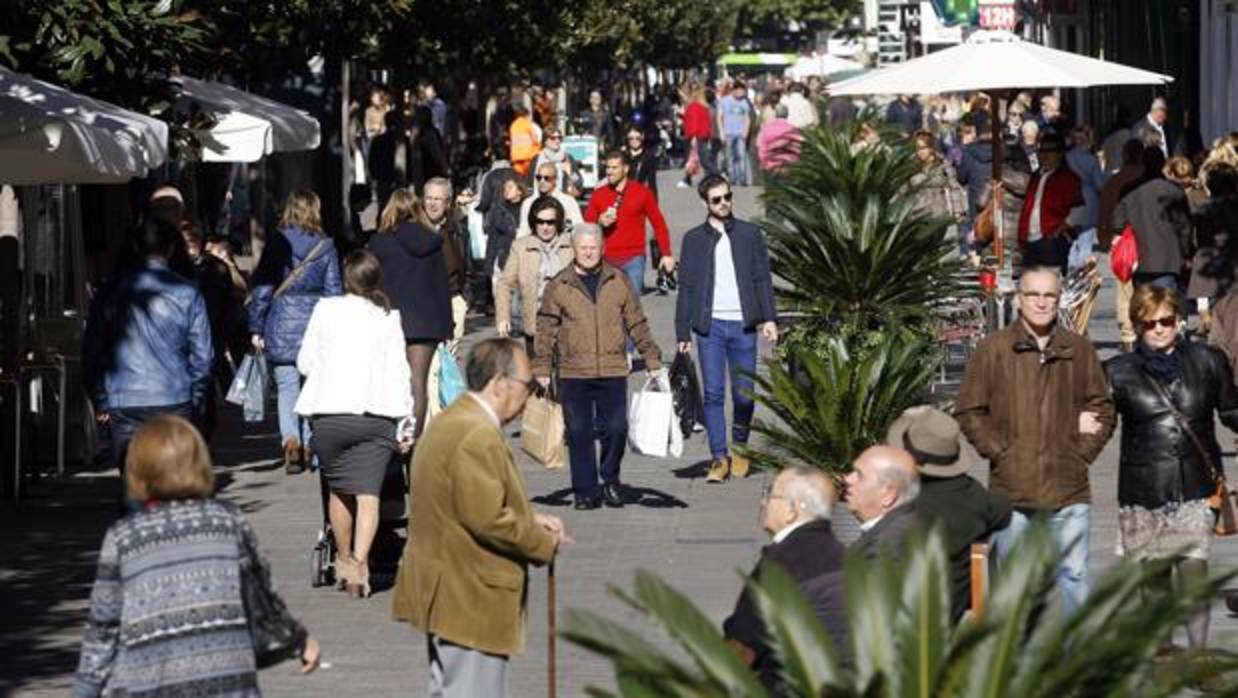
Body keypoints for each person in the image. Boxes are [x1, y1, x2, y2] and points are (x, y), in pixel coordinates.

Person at [75, 417, 320, 697]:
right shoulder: (227, 521)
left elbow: (103, 625)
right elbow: (261, 594)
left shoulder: (124, 537)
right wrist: (299, 640)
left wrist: (86, 689)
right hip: (228, 682)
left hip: (151, 682)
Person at [392, 338, 569, 698]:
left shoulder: (455, 421)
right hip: (467, 595)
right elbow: (487, 518)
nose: (529, 396)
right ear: (499, 383)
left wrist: (529, 519)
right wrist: (540, 544)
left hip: (450, 590)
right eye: (527, 386)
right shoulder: (475, 433)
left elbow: (464, 502)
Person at [955, 266, 1116, 616]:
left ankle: (1078, 664)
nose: (1042, 302)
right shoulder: (993, 349)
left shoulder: (1078, 349)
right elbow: (968, 409)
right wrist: (1000, 451)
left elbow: (1103, 408)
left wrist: (1080, 453)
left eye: (1050, 295)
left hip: (1069, 488)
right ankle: (1018, 662)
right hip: (1012, 492)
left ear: (1059, 300)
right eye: (1034, 294)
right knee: (1016, 585)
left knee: (1075, 578)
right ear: (1019, 298)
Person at [1105, 286, 1238, 652]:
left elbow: (1230, 412)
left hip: (1195, 488)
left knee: (1194, 576)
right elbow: (1098, 424)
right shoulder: (1117, 372)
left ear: (1179, 320)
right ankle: (1163, 654)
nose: (1159, 329)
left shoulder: (1208, 360)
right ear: (1136, 325)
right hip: (1143, 492)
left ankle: (1198, 656)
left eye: (1166, 320)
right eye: (1150, 323)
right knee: (1156, 583)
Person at [296, 250, 411, 598]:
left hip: (330, 414)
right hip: (374, 416)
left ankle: (344, 559)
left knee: (339, 491)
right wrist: (406, 422)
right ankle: (361, 562)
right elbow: (399, 372)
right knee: (368, 495)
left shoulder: (324, 310)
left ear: (346, 279)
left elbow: (304, 362)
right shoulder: (389, 317)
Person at [534, 224, 663, 510]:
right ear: (574, 249)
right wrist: (542, 368)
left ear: (602, 248)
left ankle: (610, 480)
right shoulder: (559, 284)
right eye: (583, 248)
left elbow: (636, 321)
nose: (589, 252)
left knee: (616, 429)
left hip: (612, 369)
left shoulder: (619, 279)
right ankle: (585, 491)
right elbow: (545, 328)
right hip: (573, 371)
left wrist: (651, 357)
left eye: (594, 247)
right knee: (579, 432)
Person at [84, 218, 213, 487]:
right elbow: (203, 357)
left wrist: (100, 398)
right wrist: (196, 400)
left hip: (125, 399)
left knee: (135, 484)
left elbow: (93, 350)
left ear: (133, 246)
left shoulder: (109, 292)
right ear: (170, 249)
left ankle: (138, 524)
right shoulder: (188, 293)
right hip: (175, 397)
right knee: (176, 483)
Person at [675, 175, 777, 483]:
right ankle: (719, 457)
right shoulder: (694, 239)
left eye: (728, 197)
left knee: (745, 395)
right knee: (714, 393)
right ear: (705, 203)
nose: (724, 203)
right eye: (717, 199)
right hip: (711, 327)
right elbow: (687, 288)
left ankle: (740, 449)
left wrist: (769, 319)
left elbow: (762, 279)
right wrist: (683, 334)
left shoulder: (749, 234)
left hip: (744, 325)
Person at [885, 406, 1012, 622]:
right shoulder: (974, 495)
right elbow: (1003, 511)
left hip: (908, 614)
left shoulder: (904, 503)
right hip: (956, 604)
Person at [722, 467, 843, 692]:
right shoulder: (841, 554)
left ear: (791, 510)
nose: (763, 503)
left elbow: (743, 645)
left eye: (770, 495)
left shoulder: (782, 562)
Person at [248, 191, 341, 474]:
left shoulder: (277, 242)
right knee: (314, 388)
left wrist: (255, 326)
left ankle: (290, 441)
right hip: (315, 325)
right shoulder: (326, 246)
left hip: (281, 323)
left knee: (288, 388)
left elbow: (263, 288)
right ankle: (312, 444)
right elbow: (333, 292)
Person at [366, 190, 453, 443]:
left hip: (389, 319)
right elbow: (441, 284)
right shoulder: (432, 241)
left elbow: (371, 283)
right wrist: (447, 327)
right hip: (426, 323)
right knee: (418, 383)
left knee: (391, 380)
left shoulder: (379, 243)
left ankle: (392, 434)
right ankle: (411, 440)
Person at [583, 151, 674, 295]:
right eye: (607, 168)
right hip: (606, 259)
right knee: (608, 306)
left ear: (625, 169)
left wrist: (666, 254)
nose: (609, 172)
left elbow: (659, 224)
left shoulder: (642, 193)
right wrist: (599, 221)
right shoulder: (598, 194)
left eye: (614, 168)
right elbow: (586, 226)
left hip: (634, 258)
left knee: (632, 307)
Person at [497, 196, 573, 354]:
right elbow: (504, 284)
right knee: (539, 377)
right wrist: (503, 317)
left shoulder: (572, 245)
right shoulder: (521, 247)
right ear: (533, 222)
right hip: (535, 325)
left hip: (569, 326)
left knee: (568, 376)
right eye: (540, 222)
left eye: (550, 222)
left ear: (558, 223)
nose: (545, 227)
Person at [1114, 146, 1192, 289]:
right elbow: (1185, 228)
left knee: (1145, 307)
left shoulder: (1129, 191)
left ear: (1143, 163)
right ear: (1163, 164)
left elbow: (1118, 224)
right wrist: (1185, 253)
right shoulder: (1174, 191)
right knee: (1166, 305)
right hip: (1169, 260)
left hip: (1140, 259)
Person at [1098, 138, 1147, 351]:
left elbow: (1105, 210)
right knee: (1145, 286)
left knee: (1124, 286)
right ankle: (1143, 327)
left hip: (1120, 240)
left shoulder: (1115, 181)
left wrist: (1104, 238)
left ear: (1125, 155)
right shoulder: (1147, 178)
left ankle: (1128, 333)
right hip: (1145, 239)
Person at [1017, 131, 1083, 272]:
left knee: (1051, 284)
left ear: (1059, 154)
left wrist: (1059, 230)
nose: (1044, 155)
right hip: (1030, 241)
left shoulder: (1068, 178)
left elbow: (1079, 209)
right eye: (1042, 150)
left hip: (1051, 241)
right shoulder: (1036, 176)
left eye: (1050, 150)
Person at [844, 446, 923, 561]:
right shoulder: (913, 522)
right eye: (852, 471)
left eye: (860, 475)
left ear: (888, 496)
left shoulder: (884, 550)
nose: (847, 479)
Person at [420, 177, 470, 350]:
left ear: (447, 203)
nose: (432, 204)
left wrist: (464, 299)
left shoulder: (457, 229)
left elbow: (466, 264)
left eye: (438, 199)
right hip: (424, 303)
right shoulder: (414, 230)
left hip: (453, 299)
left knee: (450, 361)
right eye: (429, 198)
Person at [1065, 125, 1107, 269]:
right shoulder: (1091, 160)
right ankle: (1081, 275)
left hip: (1069, 200)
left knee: (1071, 240)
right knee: (1085, 240)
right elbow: (1100, 185)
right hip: (1089, 200)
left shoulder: (1066, 158)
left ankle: (1070, 270)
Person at [516, 160, 583, 238]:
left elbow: (578, 229)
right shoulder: (528, 203)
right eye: (539, 177)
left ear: (555, 180)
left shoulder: (568, 201)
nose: (542, 181)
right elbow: (523, 230)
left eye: (547, 178)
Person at [717, 81, 753, 186]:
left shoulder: (744, 102)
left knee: (741, 156)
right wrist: (721, 132)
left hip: (740, 133)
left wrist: (746, 131)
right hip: (728, 132)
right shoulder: (724, 101)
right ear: (735, 90)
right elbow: (719, 117)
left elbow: (747, 118)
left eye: (743, 91)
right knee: (730, 156)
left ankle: (742, 178)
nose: (742, 93)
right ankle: (732, 178)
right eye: (741, 90)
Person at [679, 84, 713, 188]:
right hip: (703, 134)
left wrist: (693, 136)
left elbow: (694, 122)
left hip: (696, 135)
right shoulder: (703, 106)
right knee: (696, 159)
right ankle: (687, 179)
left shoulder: (694, 106)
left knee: (701, 160)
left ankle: (714, 176)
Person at [410, 105, 450, 195]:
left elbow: (437, 154)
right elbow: (438, 154)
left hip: (427, 172)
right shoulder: (426, 132)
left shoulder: (425, 133)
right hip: (427, 172)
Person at [531, 126, 580, 198]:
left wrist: (570, 173)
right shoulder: (536, 159)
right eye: (553, 138)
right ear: (545, 141)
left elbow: (579, 182)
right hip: (539, 199)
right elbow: (529, 182)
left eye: (559, 138)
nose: (557, 141)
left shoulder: (567, 158)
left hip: (561, 200)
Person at [755, 104, 802, 175]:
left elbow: (761, 146)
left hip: (770, 165)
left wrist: (763, 162)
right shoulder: (793, 129)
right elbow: (797, 148)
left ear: (776, 114)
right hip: (788, 166)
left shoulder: (766, 128)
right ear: (787, 115)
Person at [622, 124, 660, 199]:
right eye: (631, 138)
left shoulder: (648, 157)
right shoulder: (623, 156)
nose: (634, 141)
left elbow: (651, 183)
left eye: (637, 138)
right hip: (621, 197)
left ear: (642, 136)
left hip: (638, 196)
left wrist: (654, 206)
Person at [508, 104, 541, 178]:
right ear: (526, 115)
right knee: (529, 179)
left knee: (519, 179)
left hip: (516, 157)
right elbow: (535, 139)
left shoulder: (513, 125)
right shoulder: (527, 124)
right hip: (528, 157)